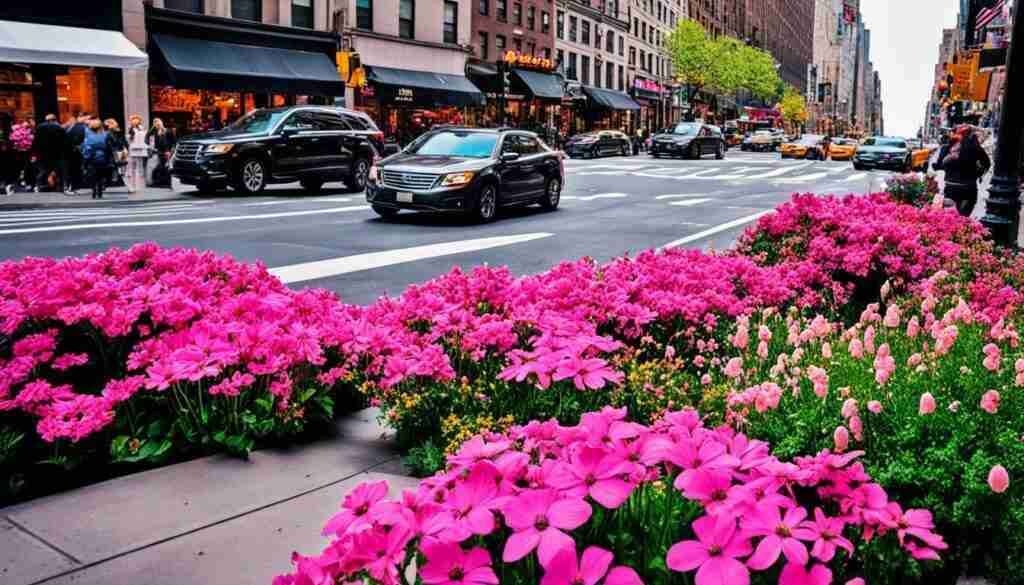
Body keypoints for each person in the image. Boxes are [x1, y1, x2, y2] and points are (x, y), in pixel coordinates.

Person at [934, 125, 991, 217]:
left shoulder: (948, 147)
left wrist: (948, 166)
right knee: (963, 219)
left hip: (951, 187)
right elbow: (986, 163)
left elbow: (937, 165)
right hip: (969, 188)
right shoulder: (975, 147)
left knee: (950, 220)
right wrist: (977, 174)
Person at [31, 114, 68, 192]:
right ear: (54, 119)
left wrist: (34, 153)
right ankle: (63, 186)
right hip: (57, 153)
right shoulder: (59, 127)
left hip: (43, 153)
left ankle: (37, 186)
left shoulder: (40, 127)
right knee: (60, 169)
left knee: (43, 170)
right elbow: (65, 141)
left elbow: (35, 141)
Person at [81, 118, 115, 199]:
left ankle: (94, 189)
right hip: (104, 158)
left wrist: (85, 159)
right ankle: (100, 190)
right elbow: (110, 146)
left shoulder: (88, 137)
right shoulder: (105, 135)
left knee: (93, 174)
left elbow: (86, 149)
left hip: (92, 157)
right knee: (101, 175)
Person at [65, 112, 90, 193]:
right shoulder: (81, 127)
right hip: (77, 151)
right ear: (81, 117)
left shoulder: (74, 126)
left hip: (73, 151)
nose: (88, 120)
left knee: (74, 169)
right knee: (76, 170)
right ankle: (73, 186)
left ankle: (73, 186)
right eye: (87, 118)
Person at [146, 118, 174, 187]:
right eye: (155, 123)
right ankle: (160, 182)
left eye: (158, 123)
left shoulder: (167, 131)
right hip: (158, 151)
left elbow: (173, 141)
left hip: (167, 152)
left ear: (161, 123)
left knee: (167, 167)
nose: (157, 124)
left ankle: (167, 182)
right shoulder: (154, 132)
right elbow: (147, 137)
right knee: (160, 167)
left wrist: (170, 151)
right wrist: (152, 129)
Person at [125, 114, 149, 193]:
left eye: (136, 119)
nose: (134, 121)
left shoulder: (141, 128)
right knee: (131, 168)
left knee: (139, 168)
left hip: (140, 150)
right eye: (133, 119)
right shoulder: (130, 129)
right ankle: (131, 186)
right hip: (133, 150)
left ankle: (137, 186)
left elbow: (144, 138)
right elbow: (129, 139)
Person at [104, 118, 128, 188]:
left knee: (115, 165)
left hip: (114, 151)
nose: (105, 125)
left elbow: (111, 142)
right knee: (118, 165)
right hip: (118, 150)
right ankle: (117, 179)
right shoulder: (116, 131)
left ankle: (115, 179)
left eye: (107, 124)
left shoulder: (109, 132)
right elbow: (123, 142)